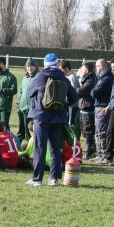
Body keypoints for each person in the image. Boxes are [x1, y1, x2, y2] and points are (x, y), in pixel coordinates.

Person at [26, 53, 78, 186]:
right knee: (55, 148)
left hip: (41, 117)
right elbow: (74, 98)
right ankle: (54, 178)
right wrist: (61, 104)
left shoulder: (41, 76)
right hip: (58, 118)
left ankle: (37, 179)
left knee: (40, 148)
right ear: (56, 64)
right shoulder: (63, 78)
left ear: (45, 64)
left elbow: (29, 93)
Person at [91, 59, 114, 162]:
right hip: (98, 106)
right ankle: (100, 154)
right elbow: (93, 91)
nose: (96, 68)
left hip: (103, 107)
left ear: (102, 66)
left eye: (97, 66)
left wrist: (93, 91)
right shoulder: (101, 78)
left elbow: (94, 93)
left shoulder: (107, 78)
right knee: (98, 131)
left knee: (102, 132)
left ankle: (104, 154)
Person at [77, 62, 97, 159]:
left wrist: (80, 78)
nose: (81, 69)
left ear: (87, 70)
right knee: (85, 132)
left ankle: (90, 150)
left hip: (88, 109)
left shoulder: (91, 80)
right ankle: (91, 148)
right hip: (84, 108)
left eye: (83, 68)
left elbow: (80, 92)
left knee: (88, 131)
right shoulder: (86, 79)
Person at [16, 58, 39, 142]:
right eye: (28, 67)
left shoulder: (37, 77)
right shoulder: (24, 78)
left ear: (35, 67)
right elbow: (21, 91)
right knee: (21, 129)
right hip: (22, 108)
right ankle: (19, 146)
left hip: (31, 109)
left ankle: (30, 147)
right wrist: (18, 102)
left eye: (31, 66)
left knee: (29, 130)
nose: (29, 68)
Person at [60, 59, 81, 137]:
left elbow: (72, 93)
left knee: (70, 125)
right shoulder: (72, 75)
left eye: (62, 69)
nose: (61, 71)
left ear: (66, 68)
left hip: (71, 106)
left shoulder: (71, 78)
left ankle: (72, 143)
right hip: (72, 106)